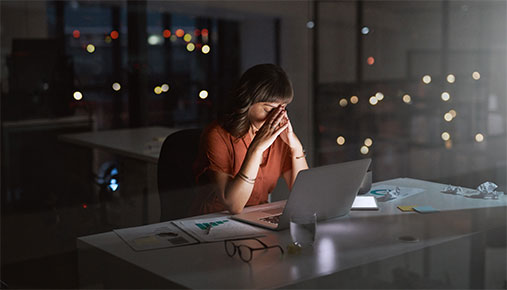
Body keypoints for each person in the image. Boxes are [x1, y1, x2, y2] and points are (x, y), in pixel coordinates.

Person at [189, 64, 309, 215]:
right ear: (247, 102)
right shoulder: (217, 135)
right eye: (268, 109)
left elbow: (305, 194)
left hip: (255, 218)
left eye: (282, 108)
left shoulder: (279, 139)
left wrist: (295, 147)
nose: (276, 117)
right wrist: (256, 149)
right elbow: (233, 205)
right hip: (213, 221)